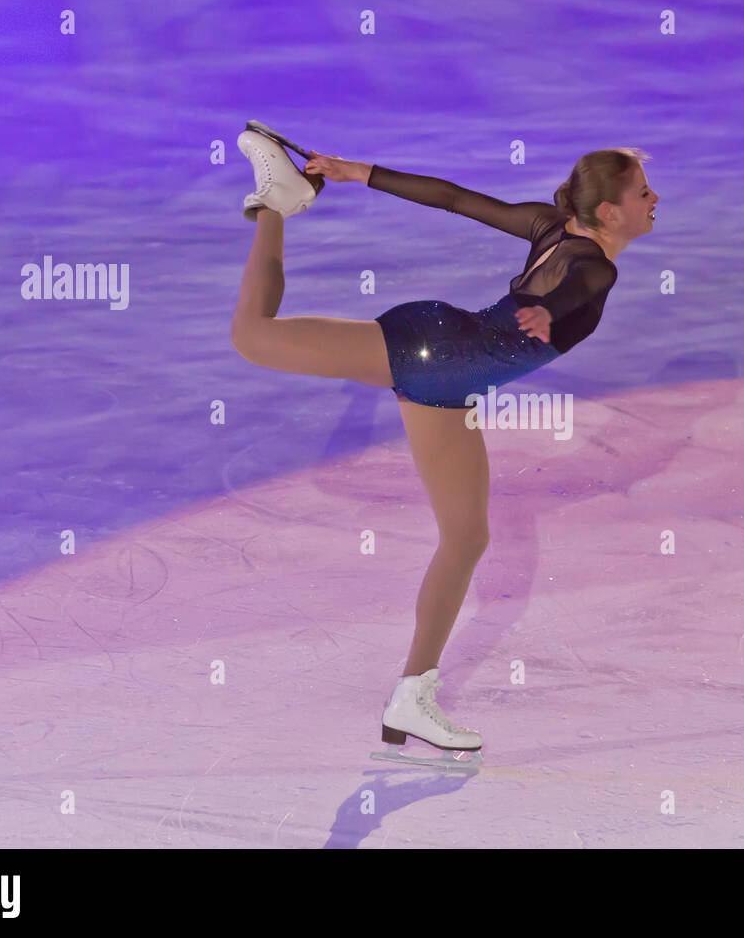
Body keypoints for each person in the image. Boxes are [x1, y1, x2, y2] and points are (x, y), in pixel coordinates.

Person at [230, 124, 658, 767]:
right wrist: (550, 310)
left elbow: (456, 199)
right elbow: (581, 286)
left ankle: (412, 696)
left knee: (466, 536)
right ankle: (275, 200)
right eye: (645, 192)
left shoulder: (552, 227)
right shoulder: (593, 264)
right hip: (437, 355)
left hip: (448, 374)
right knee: (253, 338)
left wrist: (361, 170)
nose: (656, 200)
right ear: (609, 211)